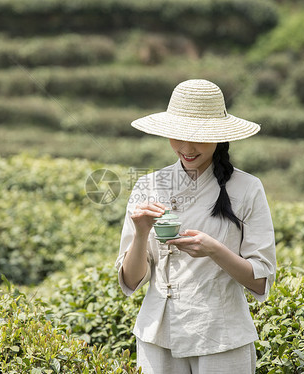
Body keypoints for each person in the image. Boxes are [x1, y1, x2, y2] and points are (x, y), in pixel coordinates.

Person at [115, 79, 276, 374]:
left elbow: (260, 281)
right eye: (177, 136)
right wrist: (140, 235)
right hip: (157, 337)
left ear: (219, 137)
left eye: (198, 137)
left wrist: (214, 250)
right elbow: (132, 280)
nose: (186, 148)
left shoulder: (248, 188)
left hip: (222, 339)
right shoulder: (148, 185)